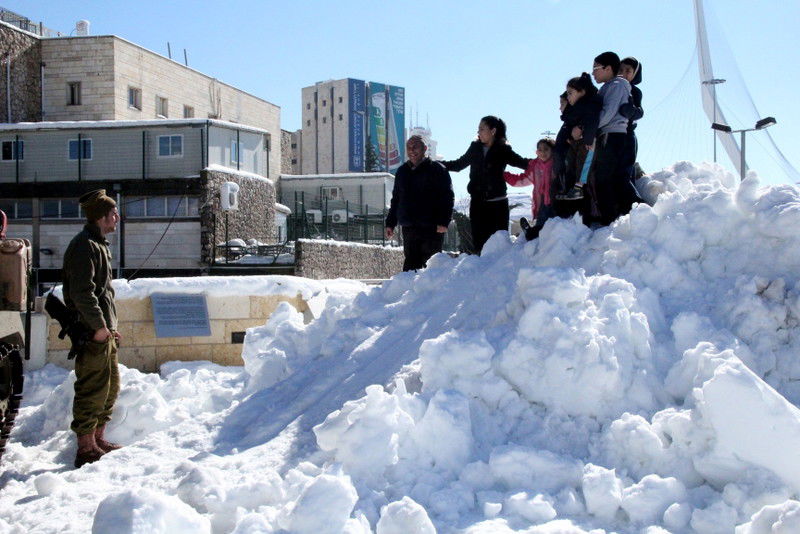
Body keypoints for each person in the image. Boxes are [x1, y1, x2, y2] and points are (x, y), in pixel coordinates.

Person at [63, 189, 123, 468]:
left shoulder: (97, 244)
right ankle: (86, 448)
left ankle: (98, 439)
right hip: (91, 332)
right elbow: (82, 293)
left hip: (103, 331)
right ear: (101, 217)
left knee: (109, 388)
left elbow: (103, 294)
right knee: (92, 388)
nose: (117, 218)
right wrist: (99, 327)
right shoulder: (84, 246)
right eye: (113, 213)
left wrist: (110, 327)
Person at [443, 116, 528, 254]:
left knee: (499, 245)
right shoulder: (474, 148)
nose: (479, 132)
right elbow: (458, 165)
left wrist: (544, 161)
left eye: (482, 129)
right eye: (478, 129)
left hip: (498, 205)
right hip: (478, 204)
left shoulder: (503, 150)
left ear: (493, 131)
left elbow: (523, 163)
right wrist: (437, 164)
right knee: (480, 245)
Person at [385, 136, 454, 271]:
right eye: (409, 147)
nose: (412, 150)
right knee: (410, 269)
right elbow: (396, 199)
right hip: (409, 227)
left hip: (432, 227)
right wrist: (390, 223)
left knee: (432, 269)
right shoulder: (402, 172)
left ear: (425, 149)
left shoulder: (437, 169)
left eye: (415, 147)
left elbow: (447, 197)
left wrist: (444, 221)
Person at [590, 51, 640, 225]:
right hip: (608, 135)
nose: (593, 73)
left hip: (612, 135)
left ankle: (633, 212)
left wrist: (588, 129)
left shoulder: (617, 85)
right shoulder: (608, 86)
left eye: (595, 68)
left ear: (608, 68)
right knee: (610, 178)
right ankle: (623, 215)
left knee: (608, 179)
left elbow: (607, 113)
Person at [555, 73, 602, 202]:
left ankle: (578, 187)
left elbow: (592, 121)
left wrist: (588, 139)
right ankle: (572, 187)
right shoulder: (577, 108)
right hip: (578, 142)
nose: (568, 97)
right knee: (573, 163)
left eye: (570, 93)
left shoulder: (589, 105)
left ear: (582, 92)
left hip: (589, 142)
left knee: (584, 162)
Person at [503, 138, 556, 240]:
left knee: (554, 226)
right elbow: (522, 180)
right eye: (540, 150)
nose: (543, 152)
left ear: (552, 150)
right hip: (541, 203)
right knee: (541, 223)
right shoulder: (535, 167)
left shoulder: (557, 164)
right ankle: (531, 234)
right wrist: (504, 175)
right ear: (536, 152)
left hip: (555, 201)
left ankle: (532, 233)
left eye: (546, 149)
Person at [619, 56, 644, 185]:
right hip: (611, 135)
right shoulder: (612, 88)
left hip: (628, 135)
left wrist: (629, 110)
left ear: (635, 74)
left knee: (626, 171)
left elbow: (640, 112)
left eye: (628, 71)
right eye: (620, 70)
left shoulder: (634, 91)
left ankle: (632, 193)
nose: (623, 73)